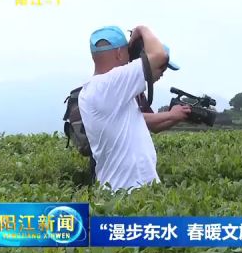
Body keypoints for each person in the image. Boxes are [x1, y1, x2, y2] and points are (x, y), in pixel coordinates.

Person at [78, 25, 190, 192]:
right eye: (128, 52)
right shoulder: (109, 84)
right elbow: (159, 56)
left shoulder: (98, 89)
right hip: (128, 193)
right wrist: (142, 29)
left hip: (128, 192)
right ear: (118, 53)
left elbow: (136, 119)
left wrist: (172, 115)